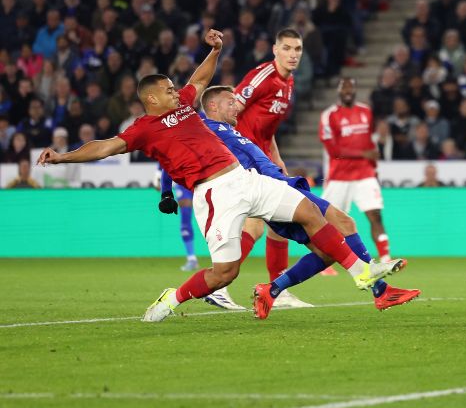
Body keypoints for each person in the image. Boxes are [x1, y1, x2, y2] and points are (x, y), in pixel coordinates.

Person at [37, 29, 399, 323]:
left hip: (243, 178)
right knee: (225, 273)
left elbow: (200, 78)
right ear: (151, 100)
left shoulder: (182, 105)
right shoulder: (142, 129)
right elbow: (103, 147)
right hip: (214, 195)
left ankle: (362, 274)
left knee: (310, 211)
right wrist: (63, 156)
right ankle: (173, 297)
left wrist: (215, 50)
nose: (176, 92)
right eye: (167, 90)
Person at [159, 86, 419, 316]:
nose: (237, 105)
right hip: (268, 191)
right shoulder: (205, 129)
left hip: (278, 185)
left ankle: (271, 290)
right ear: (213, 105)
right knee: (344, 224)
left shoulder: (229, 130)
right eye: (230, 101)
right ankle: (378, 288)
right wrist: (166, 192)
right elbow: (171, 153)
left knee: (328, 250)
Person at [230, 28, 310, 309]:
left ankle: (276, 288)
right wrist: (234, 152)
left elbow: (268, 129)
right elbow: (230, 111)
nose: (292, 54)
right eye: (287, 48)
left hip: (263, 159)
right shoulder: (262, 76)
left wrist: (277, 159)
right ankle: (219, 284)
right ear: (275, 49)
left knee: (281, 223)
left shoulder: (289, 84)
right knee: (258, 223)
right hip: (246, 159)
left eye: (297, 49)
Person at [319, 78, 392, 262]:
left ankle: (385, 258)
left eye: (351, 87)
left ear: (356, 90)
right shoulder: (329, 116)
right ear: (339, 91)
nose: (348, 91)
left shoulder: (366, 112)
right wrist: (363, 154)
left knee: (375, 214)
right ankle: (323, 261)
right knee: (327, 222)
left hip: (364, 174)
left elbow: (369, 144)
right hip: (339, 176)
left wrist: (373, 167)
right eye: (344, 88)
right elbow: (334, 151)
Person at [154, 164, 198, 272]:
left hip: (203, 176)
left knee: (211, 219)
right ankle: (191, 258)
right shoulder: (165, 149)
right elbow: (164, 156)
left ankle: (220, 258)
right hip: (183, 181)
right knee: (186, 218)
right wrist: (159, 177)